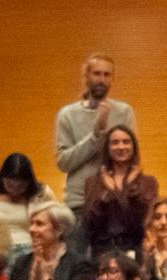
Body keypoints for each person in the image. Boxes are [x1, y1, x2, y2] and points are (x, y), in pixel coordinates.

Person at [54, 52, 138, 211]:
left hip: (114, 202)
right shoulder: (68, 114)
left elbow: (132, 158)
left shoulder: (124, 112)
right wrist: (95, 135)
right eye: (97, 74)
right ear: (86, 76)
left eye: (107, 75)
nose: (101, 80)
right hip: (79, 203)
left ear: (113, 79)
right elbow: (64, 163)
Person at [81, 124, 157, 253]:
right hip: (102, 251)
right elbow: (89, 224)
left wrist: (123, 187)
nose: (121, 147)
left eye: (126, 142)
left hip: (134, 250)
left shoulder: (148, 182)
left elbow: (141, 223)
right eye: (115, 143)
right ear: (107, 148)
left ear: (133, 147)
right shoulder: (93, 182)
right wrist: (108, 194)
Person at [0, 151, 56, 255]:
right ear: (2, 178)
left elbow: (56, 220)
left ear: (29, 181)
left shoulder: (41, 194)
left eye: (21, 182)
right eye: (10, 181)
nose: (15, 186)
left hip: (32, 250)